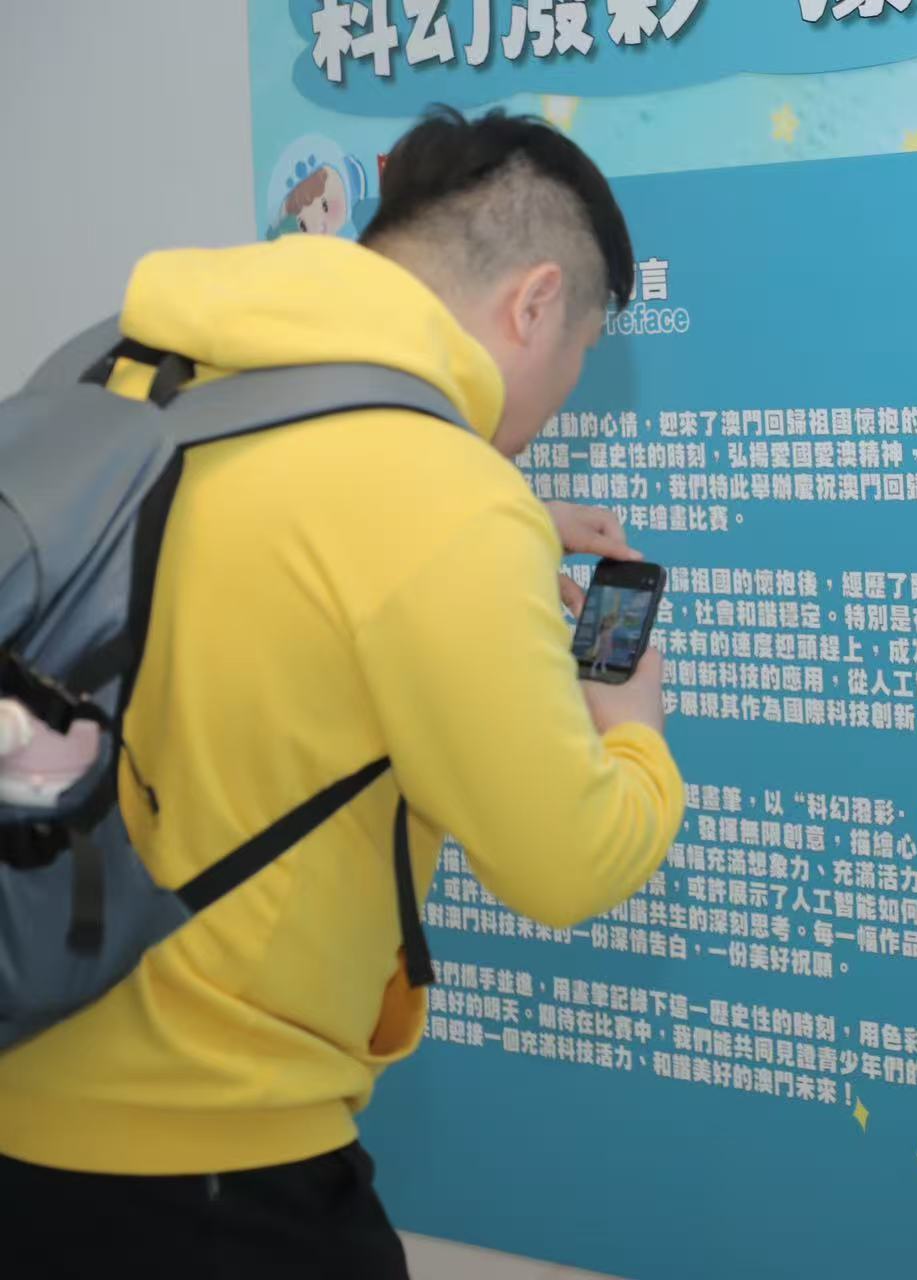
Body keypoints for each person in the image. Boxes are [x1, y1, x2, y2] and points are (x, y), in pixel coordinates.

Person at [0, 108, 683, 1278]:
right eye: (577, 354)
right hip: (216, 1166)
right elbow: (567, 862)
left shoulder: (122, 367)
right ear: (533, 303)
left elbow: (208, 554)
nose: (562, 397)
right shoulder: (444, 495)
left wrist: (501, 530)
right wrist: (636, 731)